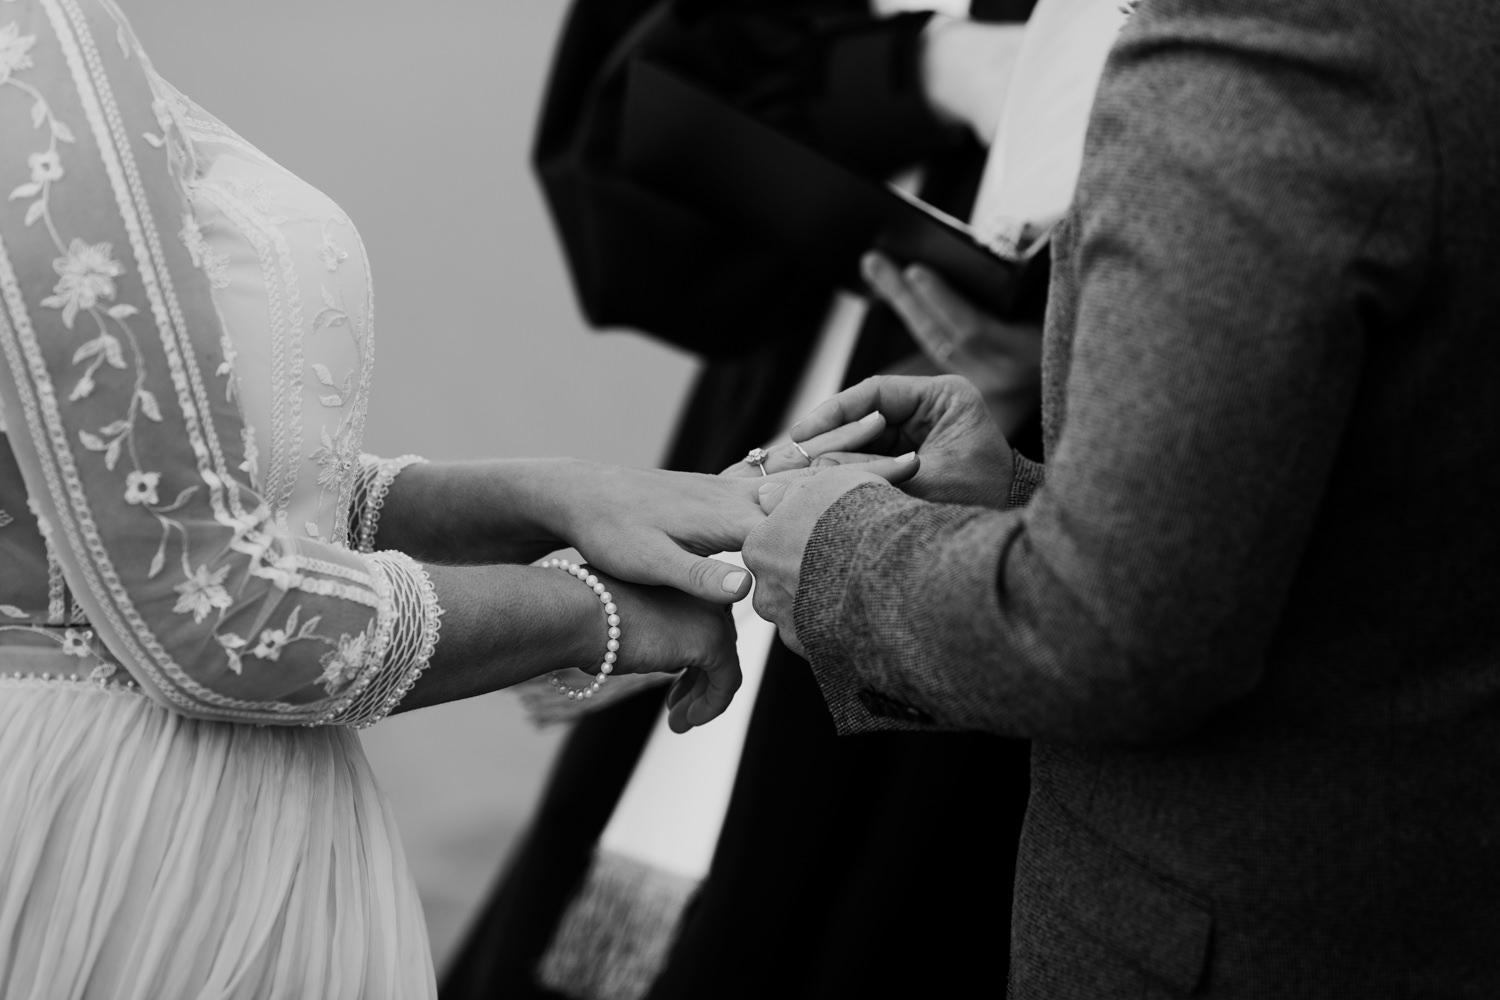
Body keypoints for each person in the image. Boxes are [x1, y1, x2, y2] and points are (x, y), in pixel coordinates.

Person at [0, 1, 878, 995]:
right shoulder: (28, 42)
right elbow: (216, 611)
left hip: (205, 807)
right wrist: (604, 614)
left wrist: (568, 498)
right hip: (130, 842)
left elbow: (195, 485)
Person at [737, 0, 1500, 995]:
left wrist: (840, 555)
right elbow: (1391, 533)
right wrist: (1020, 502)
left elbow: (1114, 633)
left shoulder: (1264, 50)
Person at [441, 3, 1054, 999]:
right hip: (799, 408)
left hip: (1004, 530)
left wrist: (1058, 359)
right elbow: (626, 188)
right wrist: (923, 69)